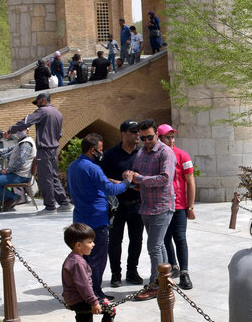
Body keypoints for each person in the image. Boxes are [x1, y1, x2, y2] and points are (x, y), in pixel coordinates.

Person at [67, 133, 132, 301]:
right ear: (92, 151)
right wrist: (126, 181)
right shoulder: (93, 168)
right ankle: (96, 293)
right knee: (97, 259)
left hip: (79, 218)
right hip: (96, 220)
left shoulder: (73, 166)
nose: (102, 153)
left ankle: (84, 291)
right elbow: (111, 190)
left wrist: (107, 181)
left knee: (83, 259)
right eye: (100, 150)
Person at [125, 118, 175, 299]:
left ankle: (156, 286)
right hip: (145, 205)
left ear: (157, 135)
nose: (146, 141)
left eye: (150, 137)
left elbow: (165, 178)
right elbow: (136, 176)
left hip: (162, 206)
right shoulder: (140, 153)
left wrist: (138, 179)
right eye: (143, 138)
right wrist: (129, 178)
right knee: (159, 245)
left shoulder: (165, 152)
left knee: (153, 246)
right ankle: (164, 281)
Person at [61, 223, 118, 322]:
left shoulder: (73, 259)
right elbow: (83, 285)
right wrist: (94, 302)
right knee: (110, 309)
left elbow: (68, 284)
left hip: (76, 300)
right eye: (90, 242)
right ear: (78, 245)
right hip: (82, 300)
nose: (93, 245)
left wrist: (67, 300)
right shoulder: (78, 262)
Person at [8, 92, 71, 213]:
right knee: (53, 176)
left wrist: (11, 129)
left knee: (44, 178)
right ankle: (64, 203)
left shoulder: (43, 111)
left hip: (45, 149)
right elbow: (59, 134)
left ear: (42, 100)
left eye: (37, 103)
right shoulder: (58, 114)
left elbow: (26, 121)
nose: (37, 106)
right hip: (53, 149)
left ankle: (50, 206)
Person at [101, 120, 145, 287]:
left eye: (138, 132)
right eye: (133, 132)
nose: (137, 135)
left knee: (136, 239)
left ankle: (132, 271)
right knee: (115, 240)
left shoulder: (141, 154)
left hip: (137, 204)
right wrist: (124, 183)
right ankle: (115, 274)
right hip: (117, 205)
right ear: (124, 134)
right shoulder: (111, 155)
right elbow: (102, 177)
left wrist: (140, 185)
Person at [158, 124, 195, 290]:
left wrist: (191, 206)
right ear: (159, 138)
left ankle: (184, 273)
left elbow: (190, 182)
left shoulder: (183, 156)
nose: (171, 140)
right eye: (167, 137)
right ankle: (173, 266)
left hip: (179, 205)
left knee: (180, 237)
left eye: (172, 137)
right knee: (165, 238)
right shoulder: (156, 156)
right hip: (162, 204)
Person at [0, 129, 36, 212]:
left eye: (22, 129)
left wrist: (8, 170)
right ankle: (8, 200)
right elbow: (8, 150)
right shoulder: (20, 142)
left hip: (21, 175)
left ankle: (13, 198)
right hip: (16, 173)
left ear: (27, 131)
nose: (19, 132)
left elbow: (20, 161)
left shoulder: (26, 143)